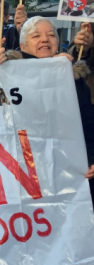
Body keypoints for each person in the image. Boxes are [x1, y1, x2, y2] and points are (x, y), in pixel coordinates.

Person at [6, 17, 94, 198]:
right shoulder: (9, 78)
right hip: (24, 172)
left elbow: (88, 122)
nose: (45, 39)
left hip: (69, 172)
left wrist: (92, 158)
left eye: (51, 35)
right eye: (36, 36)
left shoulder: (73, 80)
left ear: (58, 43)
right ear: (23, 46)